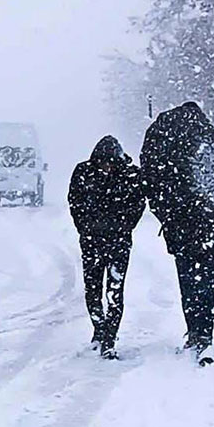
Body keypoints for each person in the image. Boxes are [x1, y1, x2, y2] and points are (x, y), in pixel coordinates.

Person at [140, 101, 214, 365]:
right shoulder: (212, 142)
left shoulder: (168, 144)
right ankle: (204, 334)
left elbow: (154, 184)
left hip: (183, 230)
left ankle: (194, 331)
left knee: (188, 283)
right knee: (208, 283)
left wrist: (167, 216)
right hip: (213, 229)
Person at [69, 136, 145, 359]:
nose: (107, 168)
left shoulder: (131, 176)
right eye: (103, 163)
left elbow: (138, 204)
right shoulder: (84, 173)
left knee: (115, 292)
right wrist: (84, 228)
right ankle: (99, 329)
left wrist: (124, 227)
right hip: (92, 241)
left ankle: (109, 338)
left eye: (111, 163)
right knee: (92, 290)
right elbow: (75, 202)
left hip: (118, 242)